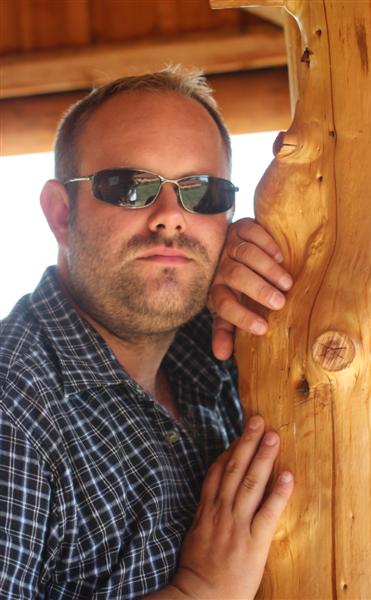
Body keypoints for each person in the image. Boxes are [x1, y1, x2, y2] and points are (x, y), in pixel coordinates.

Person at [0, 67, 294, 599]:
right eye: (131, 187)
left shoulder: (221, 340)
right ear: (61, 214)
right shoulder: (13, 408)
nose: (171, 219)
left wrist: (284, 272)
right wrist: (200, 591)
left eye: (202, 193)